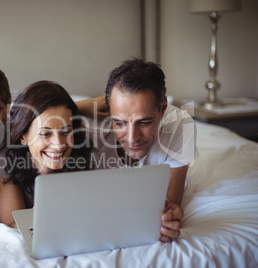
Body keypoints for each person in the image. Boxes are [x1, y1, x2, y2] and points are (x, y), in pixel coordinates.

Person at [78, 58, 198, 243]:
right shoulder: (87, 126)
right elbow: (32, 117)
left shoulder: (181, 125)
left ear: (163, 108)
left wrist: (165, 219)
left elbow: (171, 199)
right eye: (119, 122)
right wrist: (93, 104)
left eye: (144, 122)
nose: (132, 138)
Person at [0, 80, 92, 227]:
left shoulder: (83, 152)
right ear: (22, 136)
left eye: (66, 131)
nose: (58, 144)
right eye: (45, 133)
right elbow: (13, 224)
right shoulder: (5, 158)